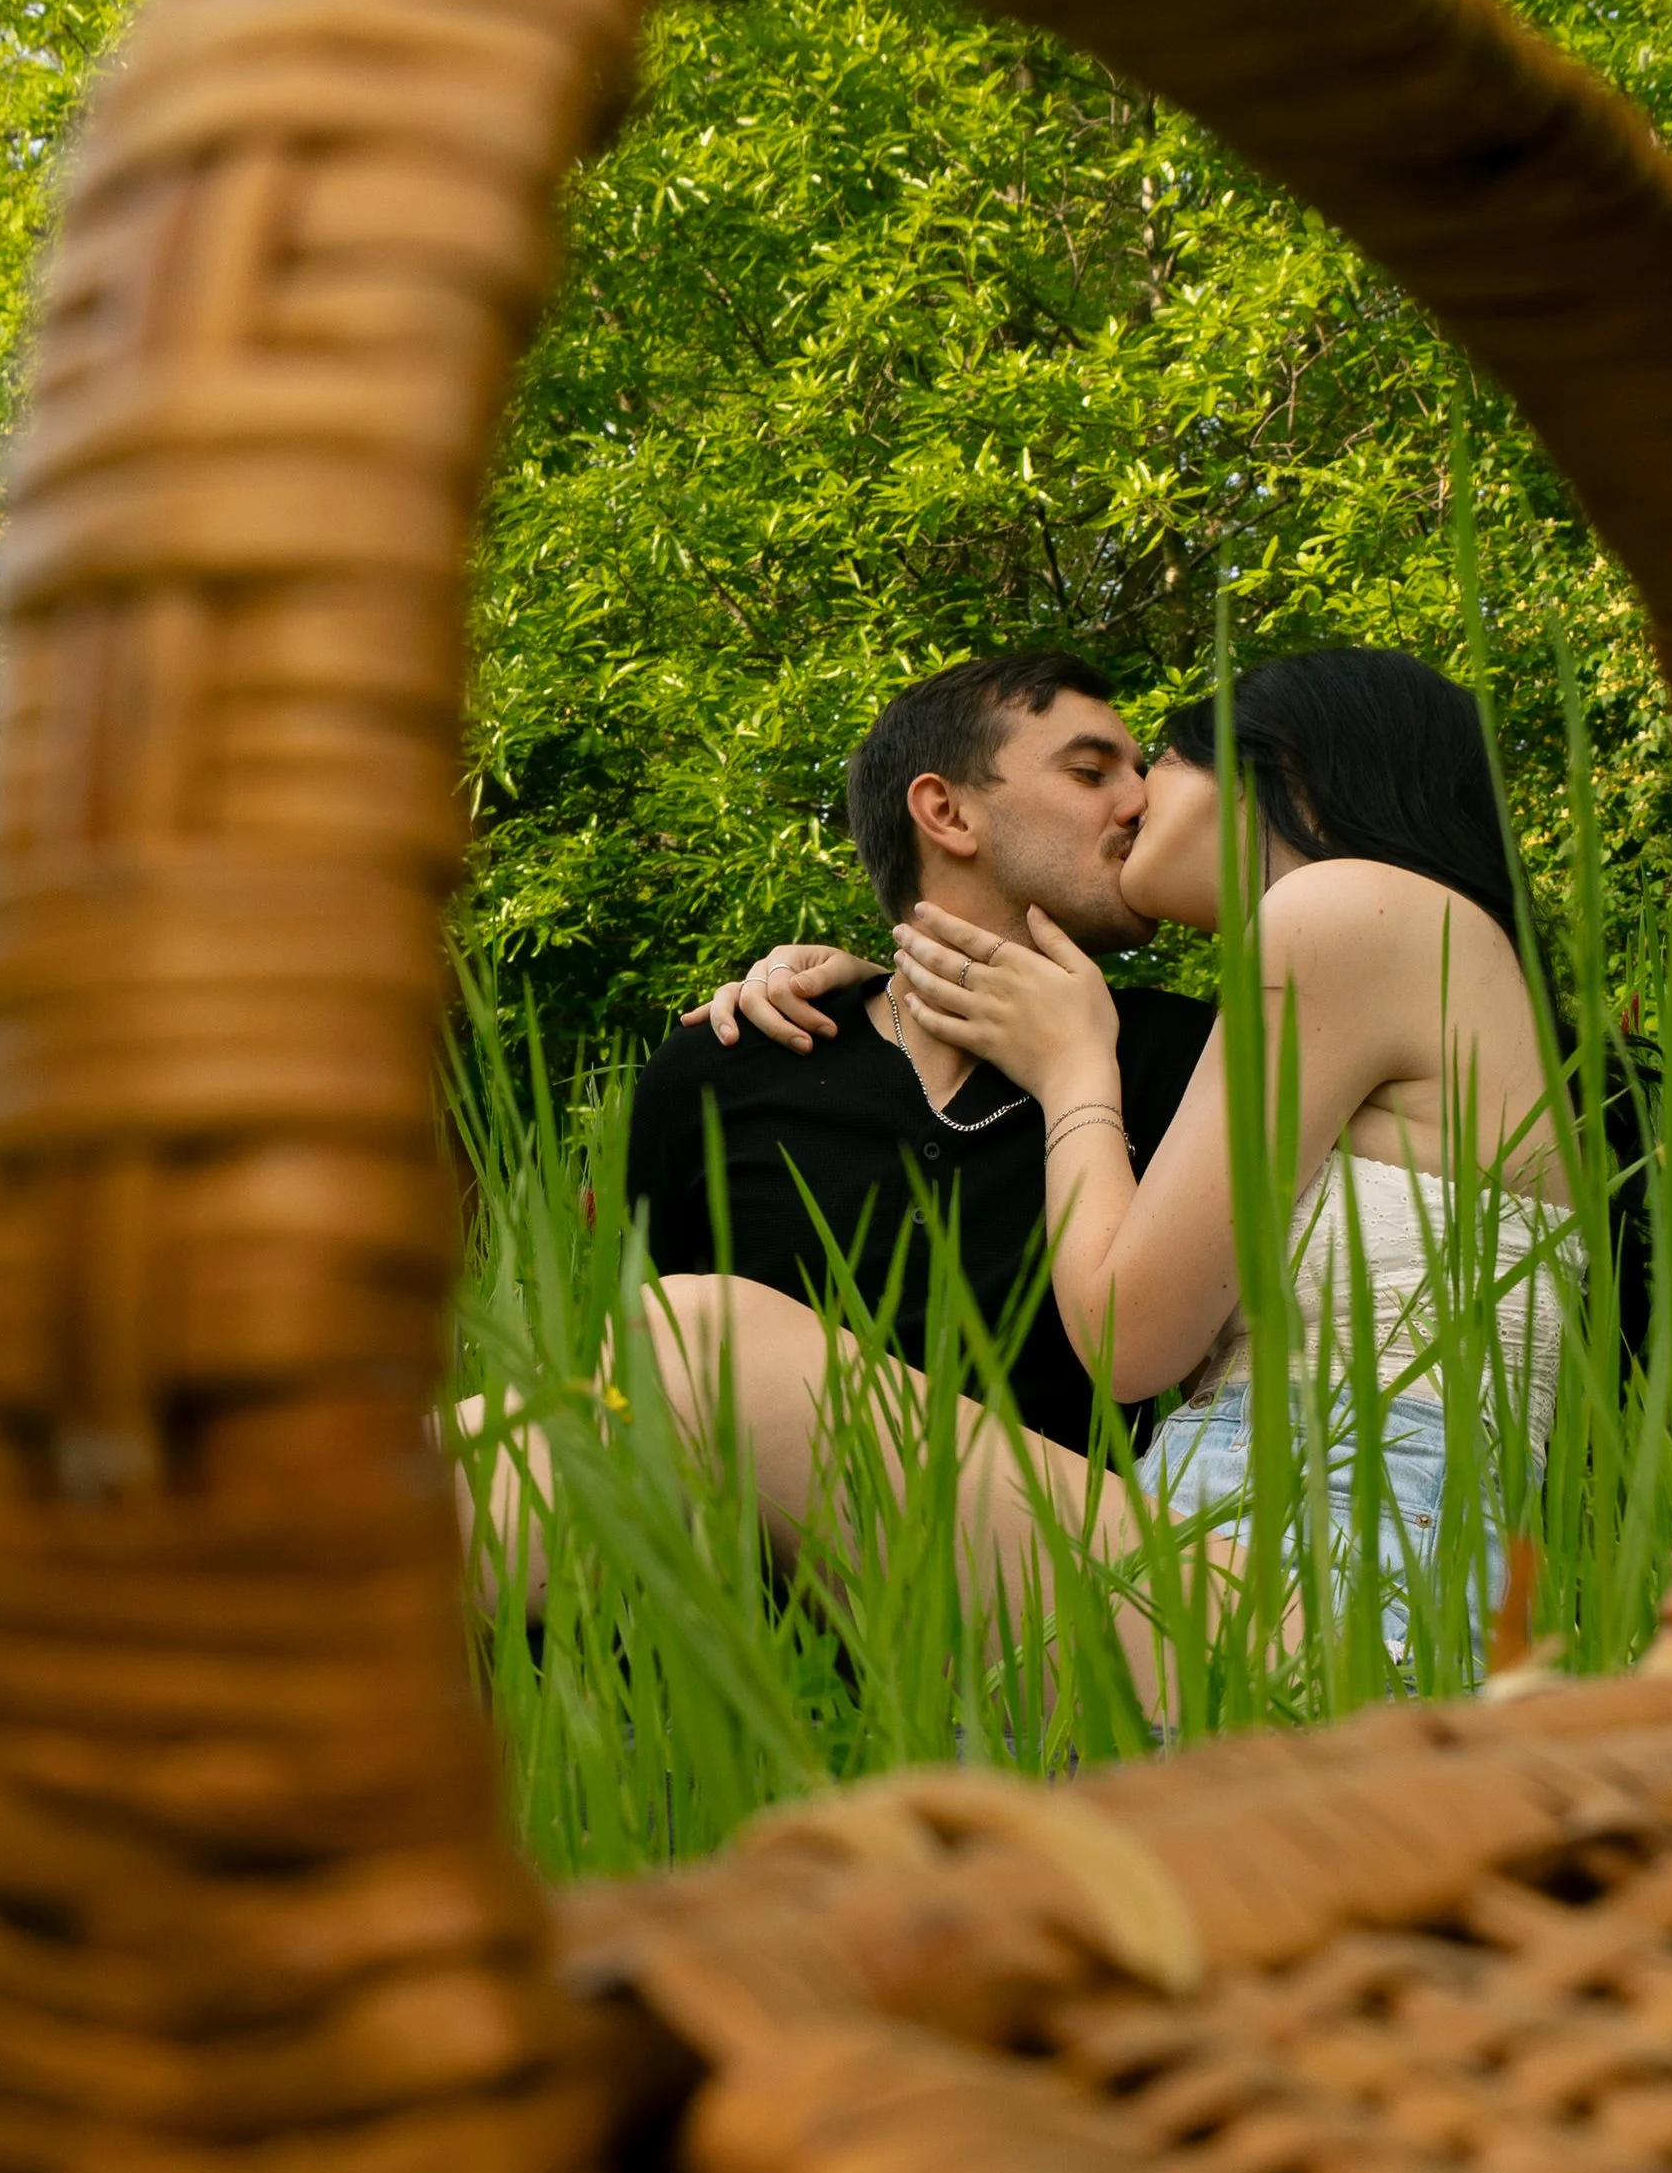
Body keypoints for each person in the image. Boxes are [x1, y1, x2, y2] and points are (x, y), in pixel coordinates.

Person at [642, 647, 1586, 1710]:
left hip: (1323, 1591)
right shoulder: (1398, 956)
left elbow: (1128, 1342)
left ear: (1288, 776)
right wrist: (878, 976)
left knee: (694, 1333)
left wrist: (1074, 1068)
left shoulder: (1342, 914)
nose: (1136, 801)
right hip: (1218, 1561)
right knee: (572, 1437)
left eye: (1162, 759)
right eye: (1100, 772)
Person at [627, 652, 1215, 1450]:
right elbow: (631, 1399)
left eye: (1141, 773)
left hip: (1075, 1558)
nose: (1141, 805)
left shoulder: (1195, 1063)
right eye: (1090, 773)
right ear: (946, 812)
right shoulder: (724, 1067)